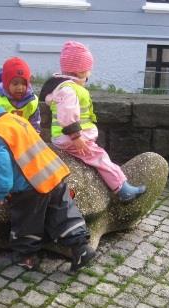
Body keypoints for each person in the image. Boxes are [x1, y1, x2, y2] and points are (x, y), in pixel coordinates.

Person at [0, 92, 95, 272]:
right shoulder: (14, 120)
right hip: (52, 173)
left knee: (26, 222)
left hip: (30, 185)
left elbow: (0, 172)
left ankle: (27, 257)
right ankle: (81, 247)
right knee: (62, 212)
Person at [39, 40, 146, 202]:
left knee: (98, 157)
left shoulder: (64, 88)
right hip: (71, 138)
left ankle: (121, 185)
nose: (89, 74)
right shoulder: (69, 90)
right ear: (80, 71)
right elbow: (66, 115)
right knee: (100, 157)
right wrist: (76, 137)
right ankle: (122, 189)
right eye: (88, 71)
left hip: (69, 137)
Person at [0, 56, 41, 132]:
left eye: (24, 84)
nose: (20, 88)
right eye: (15, 84)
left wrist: (34, 139)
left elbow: (35, 123)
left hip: (23, 137)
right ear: (6, 83)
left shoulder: (32, 101)